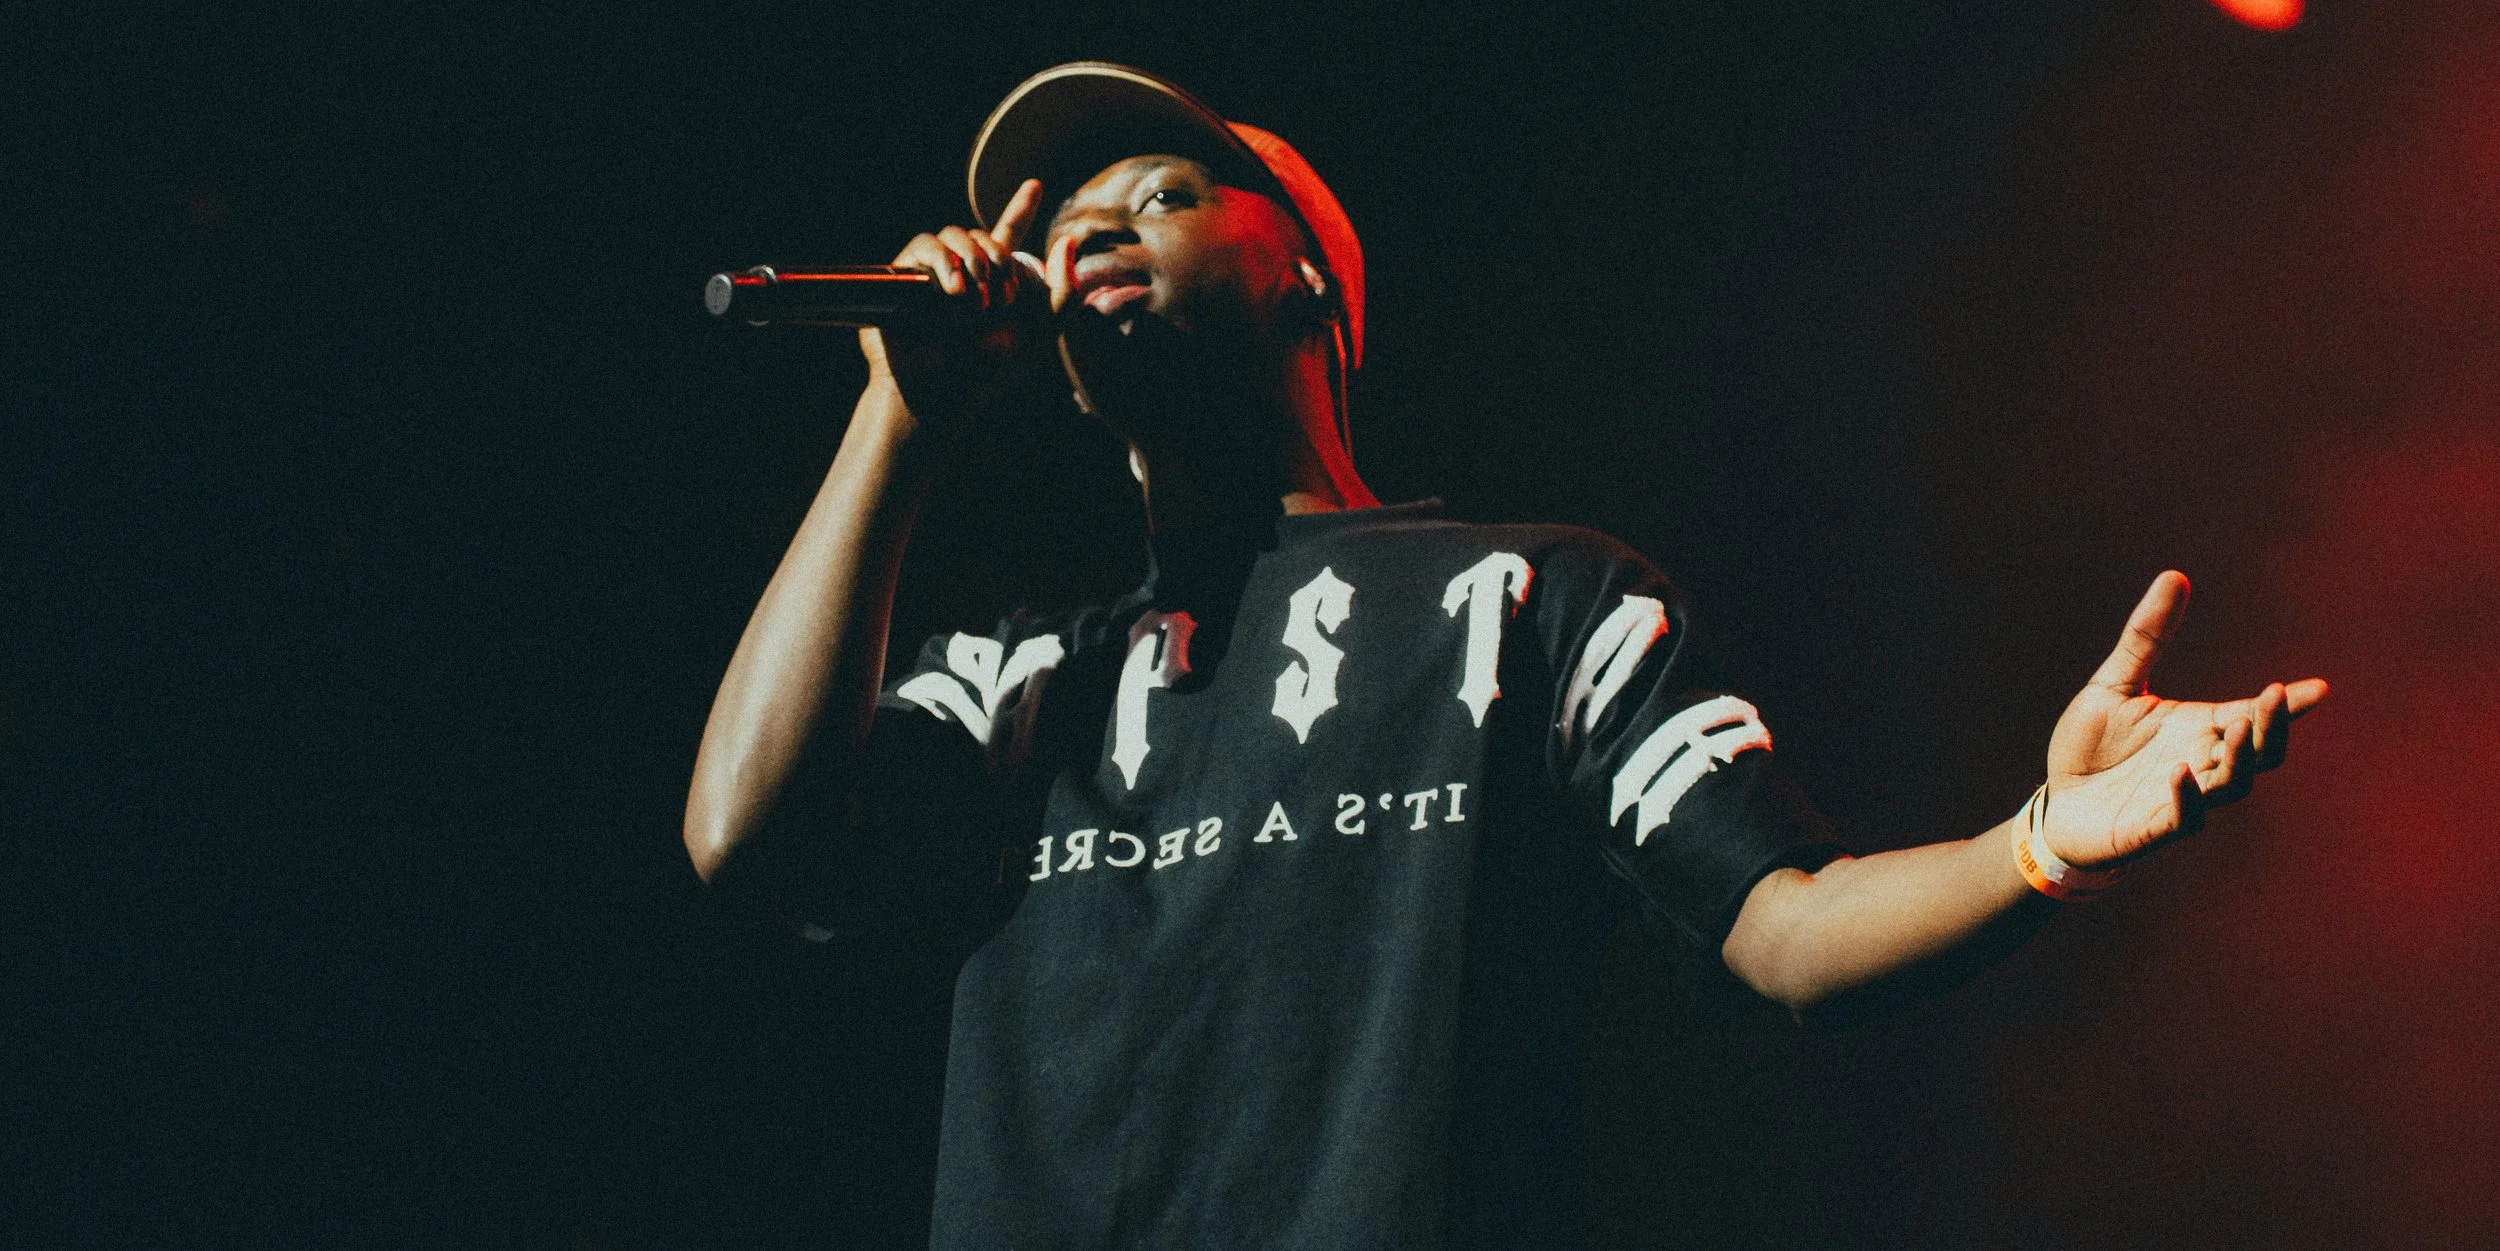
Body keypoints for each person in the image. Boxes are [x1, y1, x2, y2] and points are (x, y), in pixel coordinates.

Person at [682, 62, 2326, 1251]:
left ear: (1309, 275)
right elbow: (743, 837)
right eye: (1070, 218)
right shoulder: (1022, 672)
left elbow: (1791, 929)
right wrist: (894, 414)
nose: (1095, 228)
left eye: (1169, 193)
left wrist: (2039, 844)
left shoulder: (1530, 597)